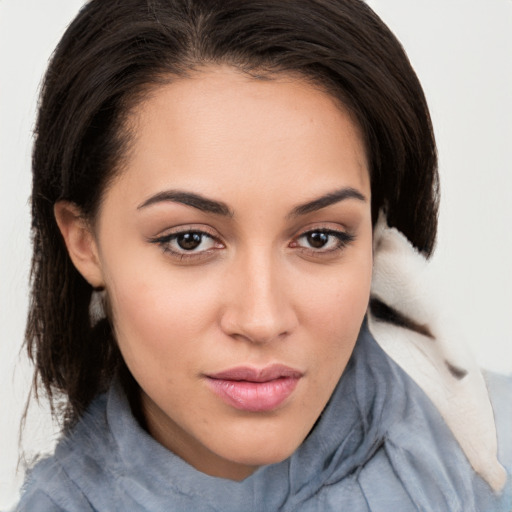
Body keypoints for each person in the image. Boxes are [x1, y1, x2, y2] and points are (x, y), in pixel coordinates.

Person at [15, 0, 511, 510]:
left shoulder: (492, 451)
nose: (261, 319)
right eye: (190, 240)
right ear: (84, 241)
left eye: (319, 237)